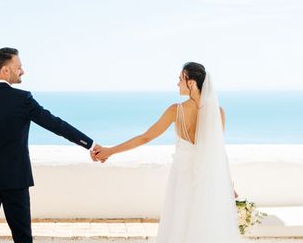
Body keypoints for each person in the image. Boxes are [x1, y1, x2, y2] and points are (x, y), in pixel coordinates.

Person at [0, 47, 100, 243]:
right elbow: (56, 125)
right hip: (15, 181)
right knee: (23, 238)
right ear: (5, 70)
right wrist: (90, 144)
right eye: (19, 67)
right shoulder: (22, 99)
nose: (22, 71)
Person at [93, 62, 241, 243]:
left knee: (179, 224)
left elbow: (145, 138)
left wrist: (110, 151)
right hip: (208, 181)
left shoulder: (176, 110)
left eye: (180, 79)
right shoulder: (219, 113)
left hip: (182, 179)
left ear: (191, 83)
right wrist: (228, 185)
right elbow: (218, 154)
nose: (177, 83)